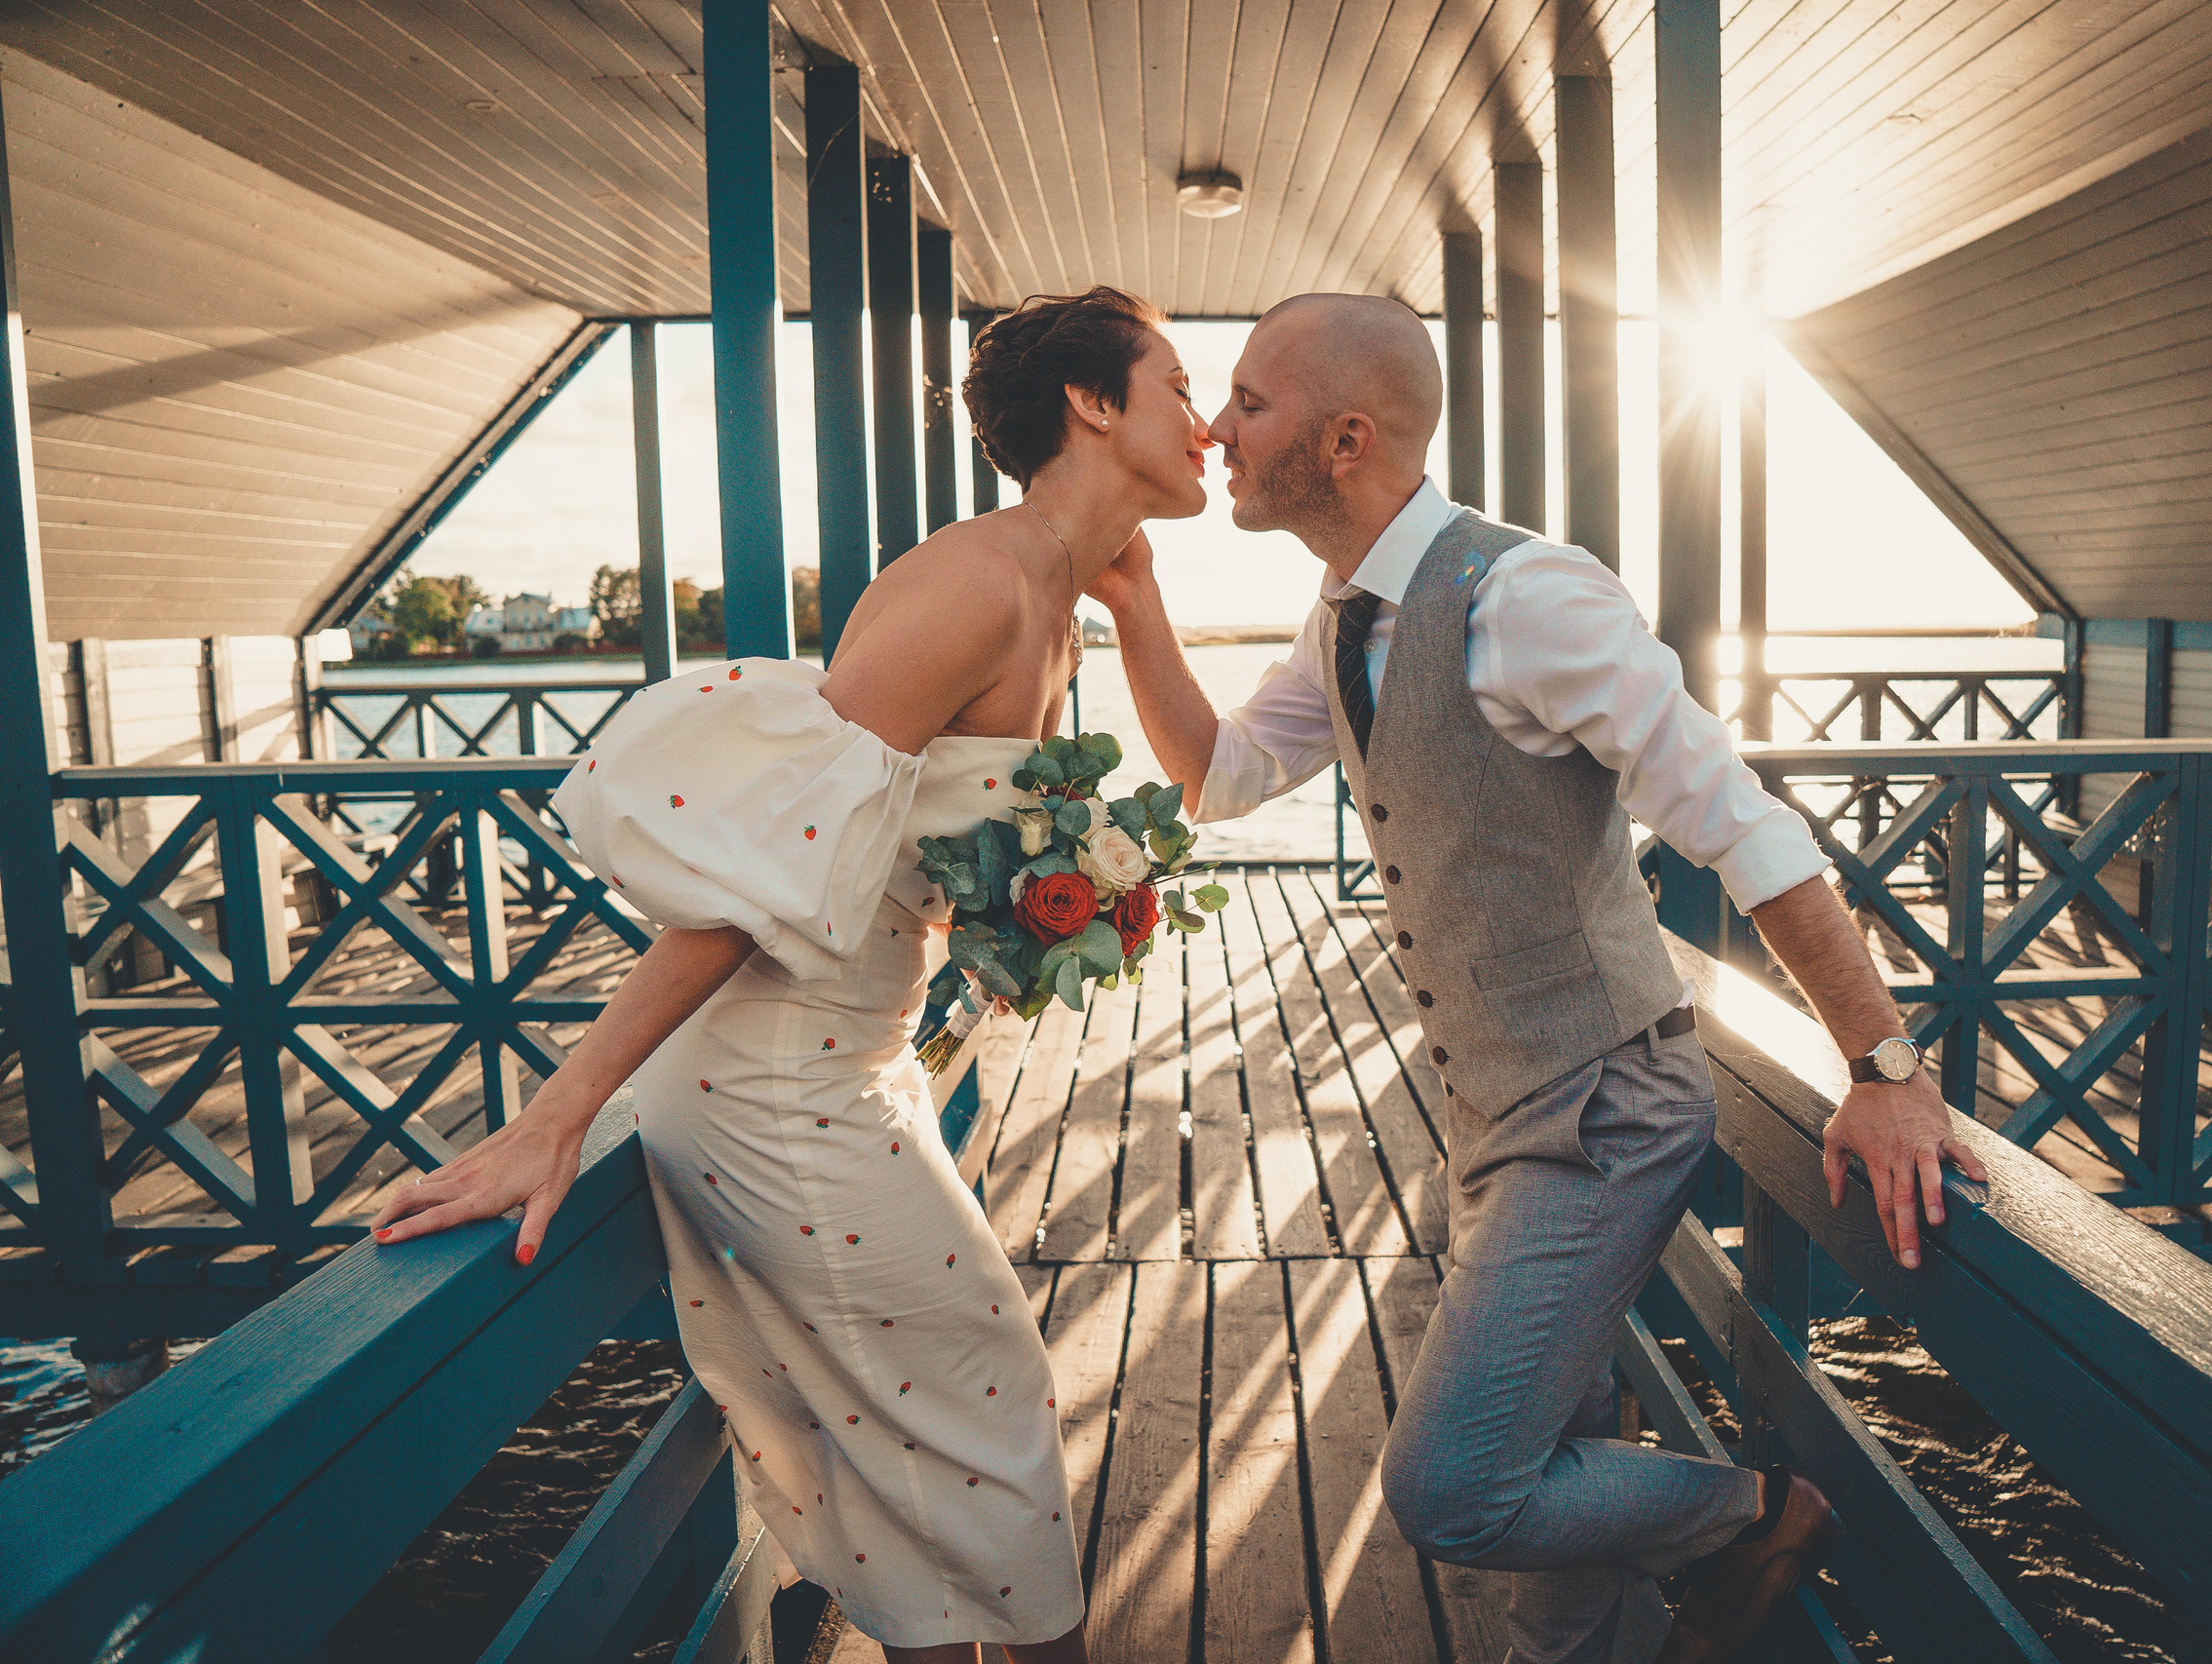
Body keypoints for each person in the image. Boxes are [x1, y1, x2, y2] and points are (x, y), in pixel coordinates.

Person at [1089, 293, 1990, 1664]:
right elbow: (1219, 781)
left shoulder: (1529, 596)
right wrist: (1136, 599)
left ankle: (1760, 1513)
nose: (1216, 427)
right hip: (1494, 1112)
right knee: (1552, 1457)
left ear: (1344, 439)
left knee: (1456, 1485)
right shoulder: (1348, 616)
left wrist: (1887, 1071)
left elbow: (1742, 822)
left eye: (1250, 404)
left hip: (1604, 1110)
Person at [369, 286, 1215, 1664]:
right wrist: (559, 1111)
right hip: (778, 1071)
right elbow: (761, 870)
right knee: (983, 1378)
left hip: (854, 1053)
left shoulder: (1057, 588)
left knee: (930, 1415)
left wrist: (1050, 910)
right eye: (1179, 385)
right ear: (1094, 405)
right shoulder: (976, 581)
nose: (1205, 420)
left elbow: (917, 844)